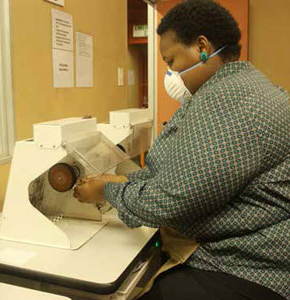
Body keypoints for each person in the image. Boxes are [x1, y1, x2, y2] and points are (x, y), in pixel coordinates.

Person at [73, 0, 290, 299]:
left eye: (171, 60)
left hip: (247, 268)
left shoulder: (227, 101)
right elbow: (186, 172)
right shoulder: (245, 87)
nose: (171, 73)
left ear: (202, 45)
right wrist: (126, 182)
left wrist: (107, 192)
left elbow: (172, 200)